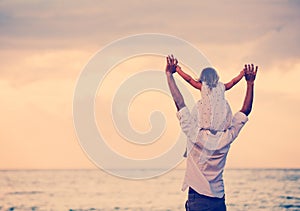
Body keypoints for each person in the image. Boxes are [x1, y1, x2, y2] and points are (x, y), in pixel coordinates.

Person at [165, 55, 258, 211]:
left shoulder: (194, 133)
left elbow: (179, 102)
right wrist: (249, 82)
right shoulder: (227, 136)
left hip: (198, 199)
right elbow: (245, 111)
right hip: (218, 199)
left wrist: (171, 74)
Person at [175, 58, 244, 134]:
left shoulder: (203, 86)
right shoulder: (222, 86)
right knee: (218, 122)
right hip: (220, 113)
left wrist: (178, 70)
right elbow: (233, 82)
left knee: (204, 121)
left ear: (203, 77)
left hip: (206, 114)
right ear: (216, 76)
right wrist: (242, 74)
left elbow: (189, 79)